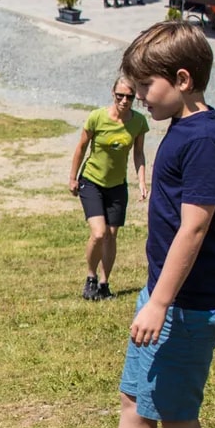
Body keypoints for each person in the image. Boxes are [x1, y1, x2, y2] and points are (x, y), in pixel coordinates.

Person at [49, 21, 215, 428]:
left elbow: (196, 228)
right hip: (165, 296)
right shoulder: (178, 128)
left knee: (177, 414)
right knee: (137, 401)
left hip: (188, 303)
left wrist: (159, 302)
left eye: (145, 86)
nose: (138, 97)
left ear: (181, 80)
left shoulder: (202, 139)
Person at [69, 76, 149, 302]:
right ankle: (91, 278)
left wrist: (142, 181)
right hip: (92, 181)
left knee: (112, 235)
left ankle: (104, 284)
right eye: (120, 96)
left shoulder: (138, 122)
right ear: (112, 94)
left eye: (130, 97)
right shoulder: (97, 117)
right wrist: (73, 178)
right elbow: (81, 147)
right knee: (99, 233)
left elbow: (139, 153)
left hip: (117, 185)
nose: (124, 101)